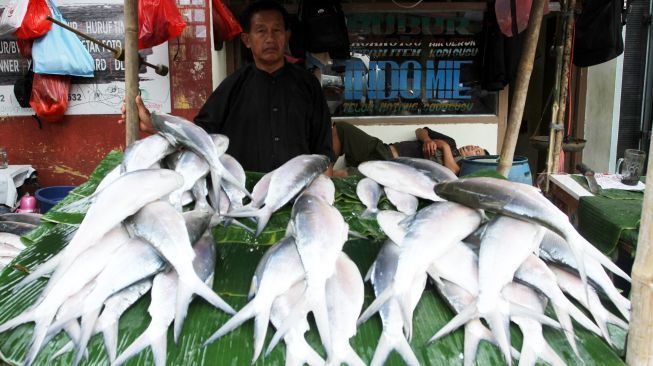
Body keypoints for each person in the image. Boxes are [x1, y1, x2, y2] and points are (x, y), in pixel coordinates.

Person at [120, 0, 334, 173]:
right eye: (261, 31)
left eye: (277, 30)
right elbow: (200, 135)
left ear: (286, 36)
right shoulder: (233, 86)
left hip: (297, 189)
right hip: (245, 194)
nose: (270, 38)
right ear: (247, 39)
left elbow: (322, 143)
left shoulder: (307, 84)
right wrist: (156, 125)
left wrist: (324, 177)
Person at [332, 121, 487, 176]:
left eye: (477, 151)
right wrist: (427, 140)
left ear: (474, 160)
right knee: (341, 129)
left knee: (342, 175)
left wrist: (444, 147)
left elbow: (451, 172)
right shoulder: (451, 141)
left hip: (392, 168)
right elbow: (420, 130)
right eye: (477, 146)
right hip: (383, 150)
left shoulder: (458, 169)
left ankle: (320, 177)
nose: (473, 147)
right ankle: (324, 166)